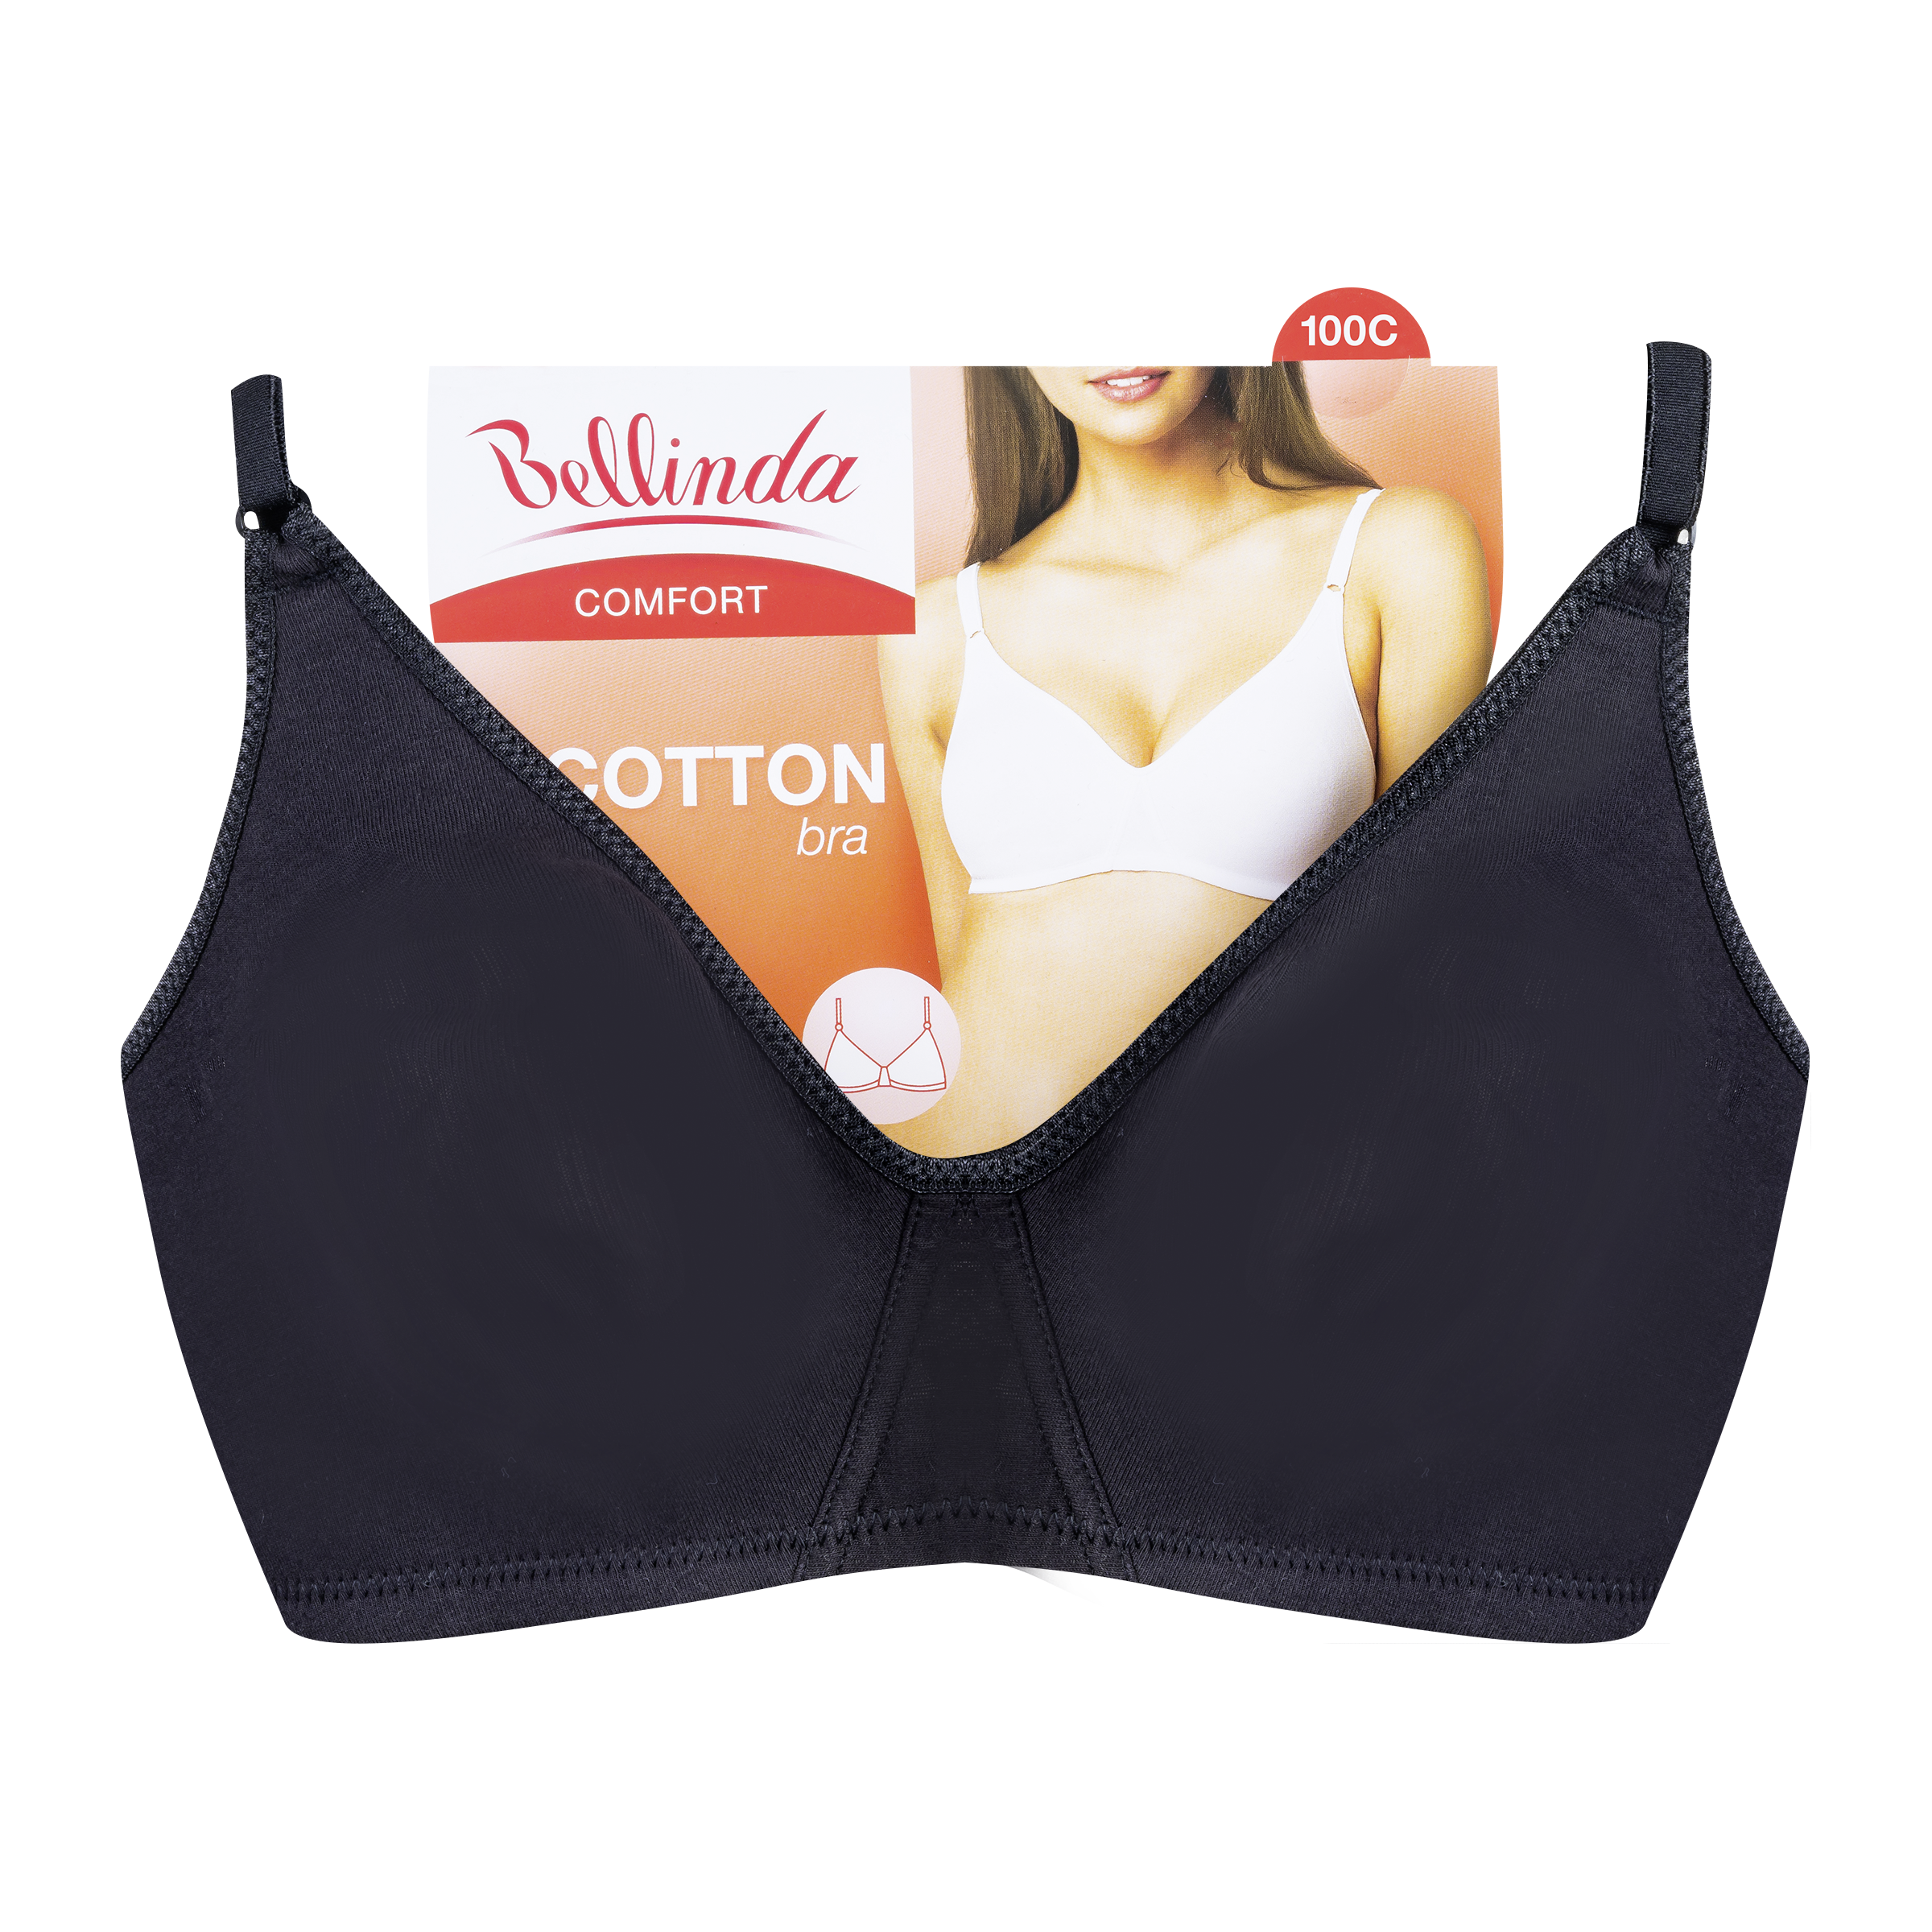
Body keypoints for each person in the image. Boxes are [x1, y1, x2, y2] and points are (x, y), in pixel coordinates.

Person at [877, 361, 1492, 1157]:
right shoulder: (931, 633)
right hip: (970, 1197)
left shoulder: (1396, 551)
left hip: (1266, 1186)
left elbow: (1434, 951)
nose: (1114, 336)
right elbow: (960, 970)